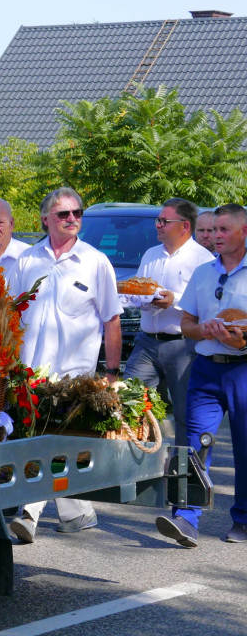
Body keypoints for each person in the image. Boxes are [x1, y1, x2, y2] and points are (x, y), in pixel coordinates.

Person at [8, 187, 123, 543]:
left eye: (77, 213)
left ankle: (29, 512)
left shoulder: (96, 261)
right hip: (30, 373)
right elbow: (9, 315)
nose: (72, 219)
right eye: (63, 214)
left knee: (48, 439)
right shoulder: (26, 261)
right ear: (45, 220)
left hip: (76, 377)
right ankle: (77, 512)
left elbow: (112, 320)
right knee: (46, 440)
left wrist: (112, 374)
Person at [156, 203, 247, 548]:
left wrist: (239, 336)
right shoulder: (204, 272)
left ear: (244, 232)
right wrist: (206, 331)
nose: (216, 236)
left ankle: (243, 520)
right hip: (206, 371)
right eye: (214, 229)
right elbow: (186, 325)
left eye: (224, 230)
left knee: (245, 447)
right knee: (192, 447)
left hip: (244, 371)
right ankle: (185, 518)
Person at [123, 198, 214, 444]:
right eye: (158, 220)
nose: (158, 226)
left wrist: (174, 299)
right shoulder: (151, 254)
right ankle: (137, 467)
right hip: (146, 343)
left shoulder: (202, 259)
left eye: (164, 221)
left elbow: (207, 304)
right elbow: (140, 291)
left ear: (185, 226)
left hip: (183, 346)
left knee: (186, 413)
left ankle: (185, 475)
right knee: (128, 402)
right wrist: (141, 298)